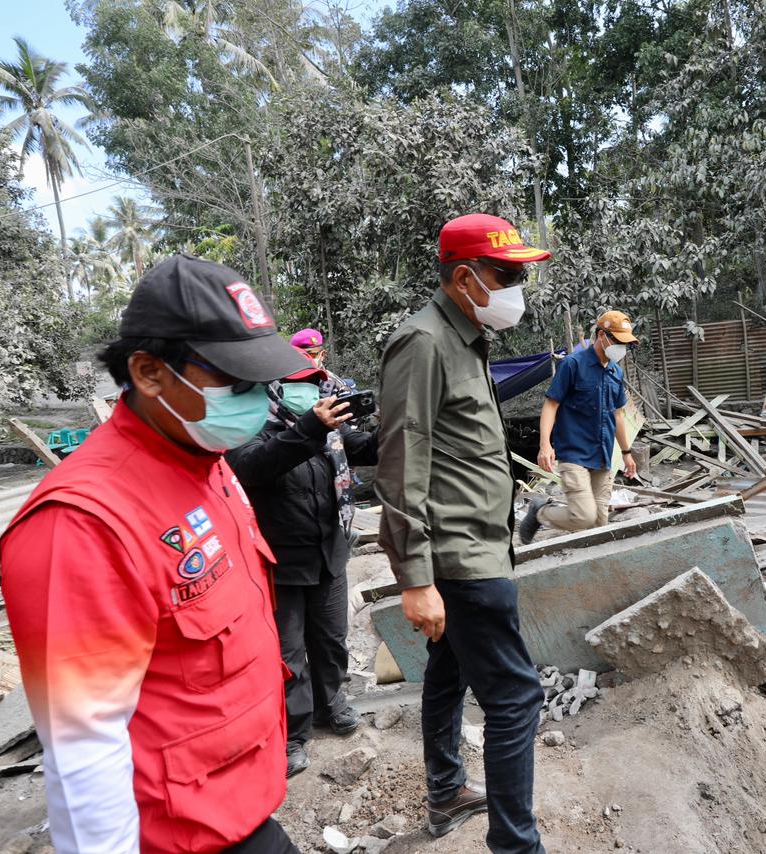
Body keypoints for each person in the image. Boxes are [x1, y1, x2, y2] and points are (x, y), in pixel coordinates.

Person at [0, 255, 311, 853]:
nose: (256, 400)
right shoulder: (82, 524)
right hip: (176, 836)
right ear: (148, 372)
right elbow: (84, 748)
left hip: (240, 809)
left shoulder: (206, 463)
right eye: (234, 381)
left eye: (261, 381)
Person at [375, 213, 549, 853]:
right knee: (515, 698)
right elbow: (402, 462)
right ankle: (515, 845)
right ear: (466, 278)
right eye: (509, 275)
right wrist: (415, 578)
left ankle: (446, 792)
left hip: (475, 548)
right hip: (460, 560)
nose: (518, 287)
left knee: (447, 676)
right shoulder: (422, 344)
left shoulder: (466, 339)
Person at [226, 358, 378, 778]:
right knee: (287, 655)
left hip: (330, 551)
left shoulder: (333, 430)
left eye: (315, 384)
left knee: (331, 639)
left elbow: (363, 446)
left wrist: (397, 428)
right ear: (274, 389)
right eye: (299, 386)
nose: (310, 392)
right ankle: (293, 733)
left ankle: (333, 706)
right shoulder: (251, 428)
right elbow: (255, 467)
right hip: (279, 563)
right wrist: (310, 428)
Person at [517, 310, 639, 544]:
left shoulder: (616, 372)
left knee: (599, 524)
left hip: (603, 456)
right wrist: (545, 445)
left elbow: (618, 415)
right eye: (619, 342)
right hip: (574, 453)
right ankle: (540, 512)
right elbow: (551, 405)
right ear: (602, 336)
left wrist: (626, 453)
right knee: (583, 516)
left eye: (626, 344)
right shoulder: (573, 364)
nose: (622, 349)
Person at [290, 327, 351, 396]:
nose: (305, 359)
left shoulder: (338, 388)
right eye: (299, 355)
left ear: (322, 355)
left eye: (311, 354)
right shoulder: (284, 381)